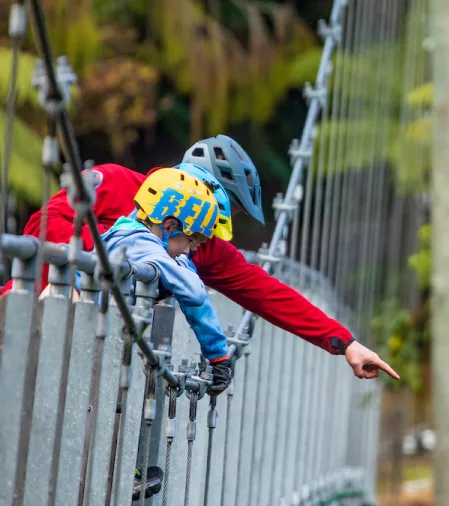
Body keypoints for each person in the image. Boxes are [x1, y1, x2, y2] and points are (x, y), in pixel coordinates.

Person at [1, 135, 399, 381]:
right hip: (20, 320)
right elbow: (44, 224)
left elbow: (264, 291)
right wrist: (113, 259)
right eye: (231, 211)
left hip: (82, 365)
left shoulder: (198, 246)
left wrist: (344, 343)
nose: (223, 226)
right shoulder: (116, 182)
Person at [110, 166, 232, 502]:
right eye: (191, 241)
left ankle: (121, 472)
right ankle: (114, 475)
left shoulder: (137, 239)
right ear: (168, 226)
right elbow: (193, 291)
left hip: (100, 343)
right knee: (105, 406)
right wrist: (219, 354)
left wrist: (218, 354)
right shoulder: (138, 245)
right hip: (86, 342)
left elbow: (188, 282)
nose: (191, 251)